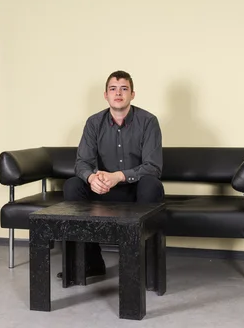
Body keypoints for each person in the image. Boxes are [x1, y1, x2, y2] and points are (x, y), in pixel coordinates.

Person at [60, 70, 165, 279]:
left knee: (151, 185)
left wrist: (118, 175)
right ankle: (90, 263)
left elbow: (153, 167)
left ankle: (140, 266)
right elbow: (82, 163)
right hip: (103, 190)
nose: (118, 93)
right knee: (72, 185)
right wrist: (91, 178)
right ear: (105, 95)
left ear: (132, 94)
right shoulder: (93, 123)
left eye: (124, 89)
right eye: (113, 89)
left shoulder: (148, 121)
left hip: (136, 190)